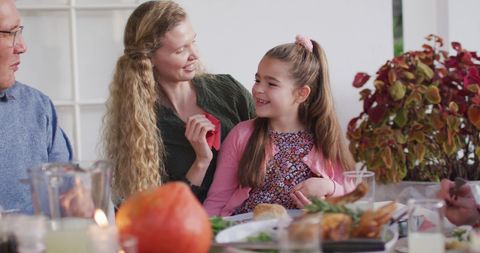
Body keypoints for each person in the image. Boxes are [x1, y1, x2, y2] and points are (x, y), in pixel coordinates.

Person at [103, 0, 255, 206]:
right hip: (191, 231)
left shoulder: (229, 91)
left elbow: (274, 147)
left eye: (194, 41)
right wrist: (201, 160)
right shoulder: (138, 125)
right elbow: (160, 212)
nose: (195, 55)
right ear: (150, 59)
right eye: (181, 50)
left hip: (248, 223)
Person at [203, 36, 355, 216]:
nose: (258, 89)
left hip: (303, 234)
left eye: (271, 83)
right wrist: (207, 236)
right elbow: (218, 199)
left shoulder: (324, 137)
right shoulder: (241, 135)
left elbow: (352, 197)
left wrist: (329, 187)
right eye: (257, 80)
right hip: (249, 236)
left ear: (301, 93)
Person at [0, 0, 73, 214]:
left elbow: (67, 202)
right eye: (9, 33)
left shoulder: (38, 109)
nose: (22, 47)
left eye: (19, 31)